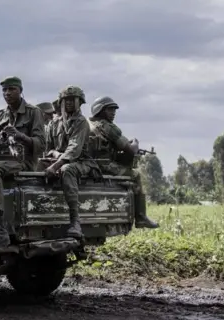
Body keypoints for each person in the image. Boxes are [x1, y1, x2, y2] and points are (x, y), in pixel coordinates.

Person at [0, 76, 45, 253]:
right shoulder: (0, 115)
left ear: (20, 90)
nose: (7, 93)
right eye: (4, 90)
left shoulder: (33, 112)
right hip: (2, 159)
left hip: (23, 162)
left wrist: (20, 136)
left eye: (11, 89)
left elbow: (41, 144)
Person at [89, 96, 159, 229]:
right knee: (135, 175)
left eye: (114, 110)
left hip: (89, 165)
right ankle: (141, 217)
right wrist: (135, 142)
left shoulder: (87, 124)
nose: (113, 113)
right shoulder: (108, 127)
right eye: (110, 109)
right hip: (104, 166)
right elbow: (130, 150)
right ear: (100, 110)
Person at [43, 86, 98, 239]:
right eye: (65, 100)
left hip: (82, 162)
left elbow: (74, 149)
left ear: (80, 102)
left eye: (73, 99)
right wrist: (52, 156)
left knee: (67, 169)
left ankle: (75, 222)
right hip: (57, 160)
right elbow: (47, 148)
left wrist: (55, 164)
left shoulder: (81, 122)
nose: (68, 103)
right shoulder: (54, 124)